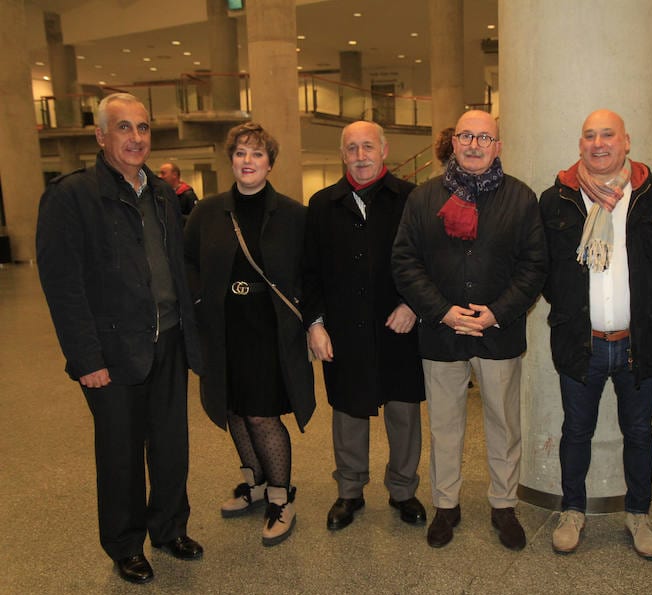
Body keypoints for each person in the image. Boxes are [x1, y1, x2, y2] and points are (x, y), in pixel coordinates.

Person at [36, 92, 205, 584]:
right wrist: (86, 357)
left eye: (143, 128)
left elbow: (175, 269)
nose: (136, 138)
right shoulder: (71, 197)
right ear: (100, 136)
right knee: (121, 453)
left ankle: (170, 527)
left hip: (168, 339)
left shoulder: (160, 194)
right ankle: (125, 544)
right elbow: (63, 287)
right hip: (111, 352)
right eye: (124, 128)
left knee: (172, 445)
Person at [392, 110, 548, 550]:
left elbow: (534, 265)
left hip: (497, 333)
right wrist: (441, 311)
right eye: (466, 136)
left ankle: (503, 505)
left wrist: (496, 312)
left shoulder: (520, 199)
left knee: (503, 423)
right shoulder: (423, 198)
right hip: (440, 333)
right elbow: (405, 261)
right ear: (453, 142)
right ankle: (446, 505)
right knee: (444, 426)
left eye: (484, 137)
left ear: (498, 146)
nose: (475, 144)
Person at [539, 109, 652, 557]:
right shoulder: (556, 199)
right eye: (590, 136)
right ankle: (573, 510)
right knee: (575, 432)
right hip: (582, 343)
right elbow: (542, 269)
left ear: (627, 142)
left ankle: (638, 515)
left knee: (639, 433)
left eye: (608, 135)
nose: (599, 143)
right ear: (580, 144)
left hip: (638, 343)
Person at [183, 122, 315, 547]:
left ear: (270, 163)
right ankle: (254, 483)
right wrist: (201, 303)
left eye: (257, 154)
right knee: (234, 408)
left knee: (262, 413)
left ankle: (281, 496)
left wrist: (314, 322)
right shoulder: (208, 211)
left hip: (270, 329)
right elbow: (187, 263)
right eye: (241, 153)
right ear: (231, 161)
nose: (248, 161)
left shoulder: (293, 214)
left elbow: (310, 274)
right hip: (224, 328)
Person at [304, 120, 427, 531]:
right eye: (352, 148)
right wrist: (314, 325)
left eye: (368, 147)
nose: (360, 156)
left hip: (400, 325)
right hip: (344, 328)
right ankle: (350, 490)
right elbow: (310, 272)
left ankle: (404, 489)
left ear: (384, 149)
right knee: (348, 410)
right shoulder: (322, 205)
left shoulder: (412, 199)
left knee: (404, 410)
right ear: (343, 155)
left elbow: (430, 261)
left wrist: (413, 303)